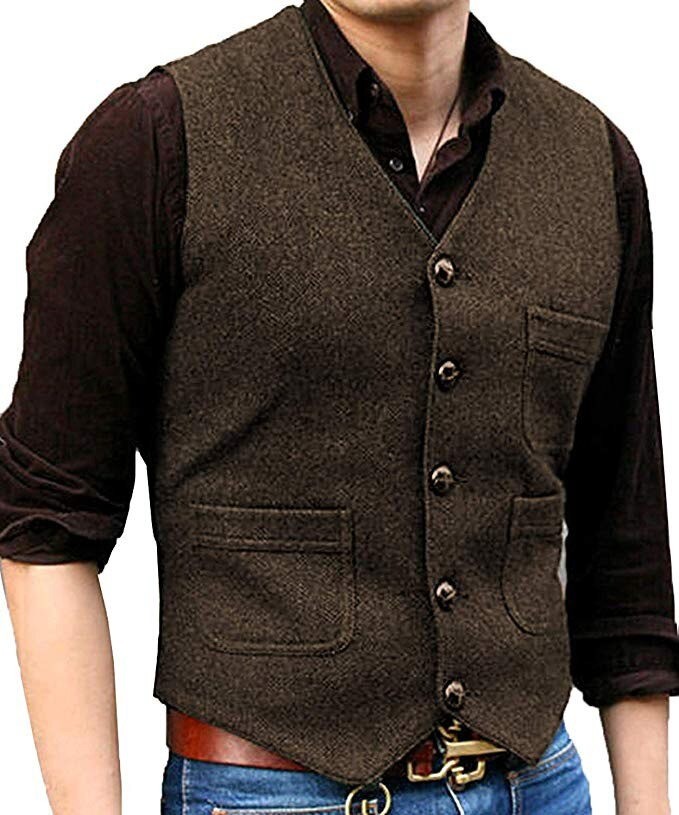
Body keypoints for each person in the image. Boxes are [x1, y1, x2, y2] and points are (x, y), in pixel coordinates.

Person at [1, 0, 677, 813]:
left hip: (541, 787)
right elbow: (46, 523)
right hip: (269, 792)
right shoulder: (155, 138)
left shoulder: (592, 163)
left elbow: (623, 544)